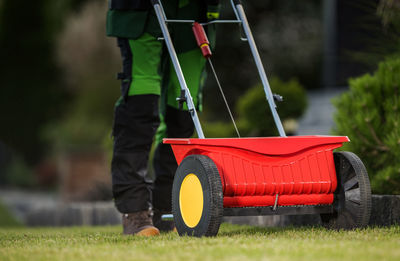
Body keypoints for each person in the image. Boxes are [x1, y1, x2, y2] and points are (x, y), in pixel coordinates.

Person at [106, 0, 219, 236]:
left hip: (194, 14)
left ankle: (169, 206)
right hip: (141, 12)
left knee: (184, 109)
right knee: (141, 103)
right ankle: (134, 210)